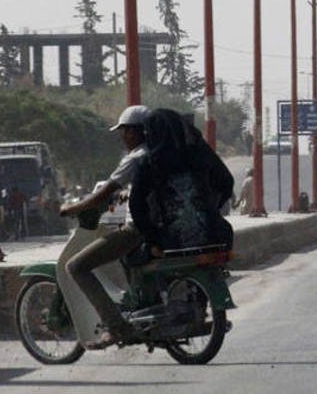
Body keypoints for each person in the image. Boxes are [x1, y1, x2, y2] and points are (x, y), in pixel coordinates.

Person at [61, 104, 149, 349]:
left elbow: (106, 192)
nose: (122, 137)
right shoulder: (160, 154)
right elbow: (127, 194)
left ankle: (115, 327)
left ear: (133, 131)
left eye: (123, 131)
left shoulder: (134, 159)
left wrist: (74, 208)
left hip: (138, 229)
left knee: (76, 266)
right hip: (162, 227)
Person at [130, 108, 235, 256]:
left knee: (132, 257)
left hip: (171, 244)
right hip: (217, 237)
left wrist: (152, 239)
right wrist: (208, 209)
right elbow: (227, 183)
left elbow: (136, 205)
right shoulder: (201, 153)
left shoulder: (149, 163)